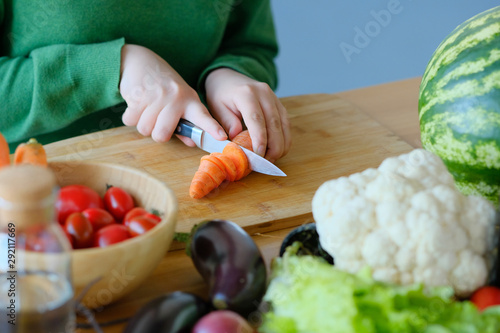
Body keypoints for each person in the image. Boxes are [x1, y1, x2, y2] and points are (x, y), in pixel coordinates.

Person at [0, 0, 291, 162]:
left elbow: (251, 46)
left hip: (186, 173)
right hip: (39, 191)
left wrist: (229, 72)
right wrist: (115, 67)